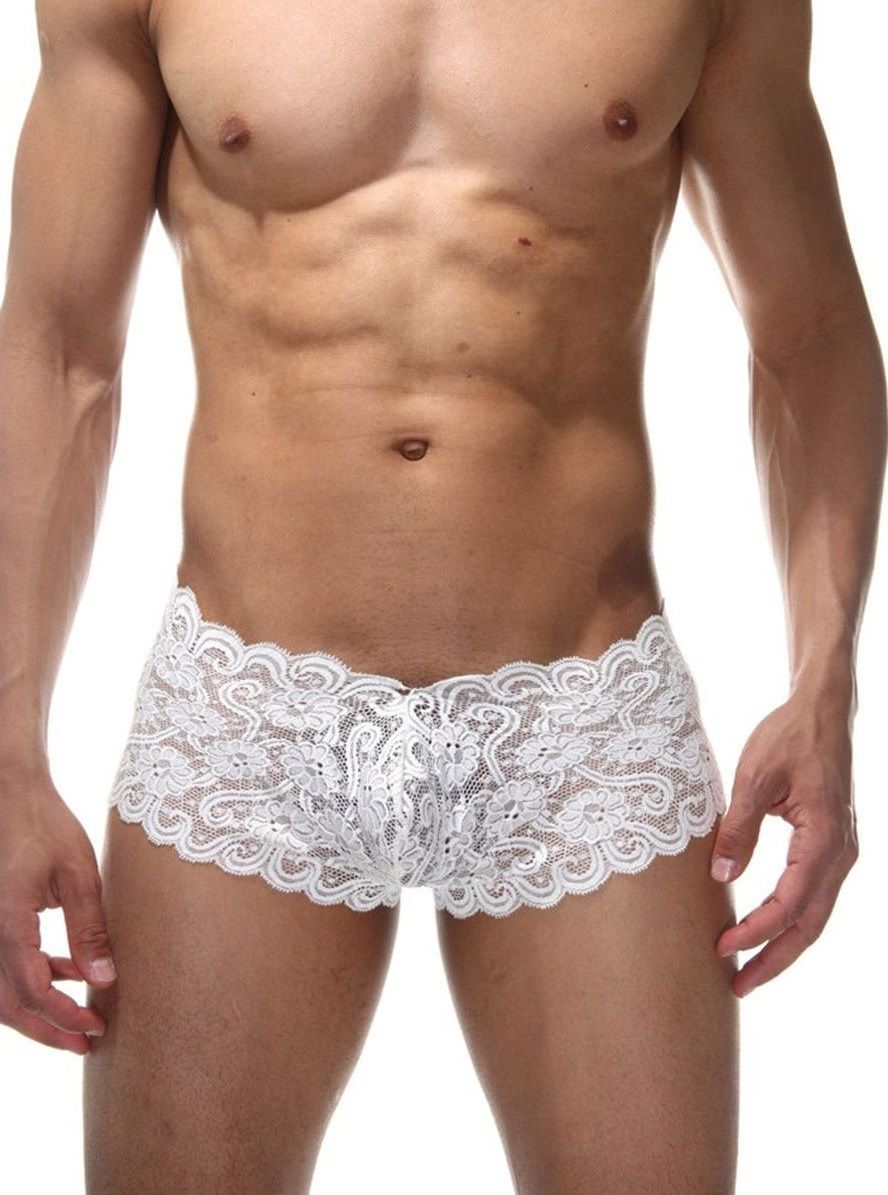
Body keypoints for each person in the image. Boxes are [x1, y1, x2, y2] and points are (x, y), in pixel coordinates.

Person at [0, 0, 884, 1191]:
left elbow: (811, 333)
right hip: (252, 718)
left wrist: (825, 684)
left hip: (580, 725)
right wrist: (7, 751)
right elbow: (60, 349)